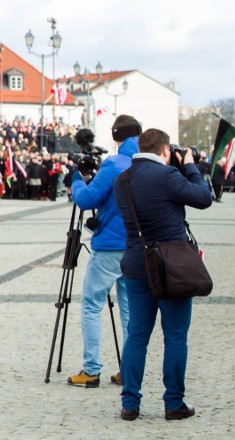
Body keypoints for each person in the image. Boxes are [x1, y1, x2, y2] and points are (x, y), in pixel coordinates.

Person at [113, 128, 213, 421]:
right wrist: (190, 165)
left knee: (137, 335)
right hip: (171, 267)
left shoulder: (123, 180)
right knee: (175, 336)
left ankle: (130, 403)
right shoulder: (168, 177)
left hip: (136, 264)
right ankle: (173, 403)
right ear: (166, 150)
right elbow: (204, 197)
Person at [67, 115, 141, 388]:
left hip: (110, 244)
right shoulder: (147, 162)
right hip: (137, 244)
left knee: (91, 304)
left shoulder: (114, 163)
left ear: (116, 137)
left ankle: (91, 369)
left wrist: (78, 179)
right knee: (130, 310)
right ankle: (129, 369)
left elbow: (87, 199)